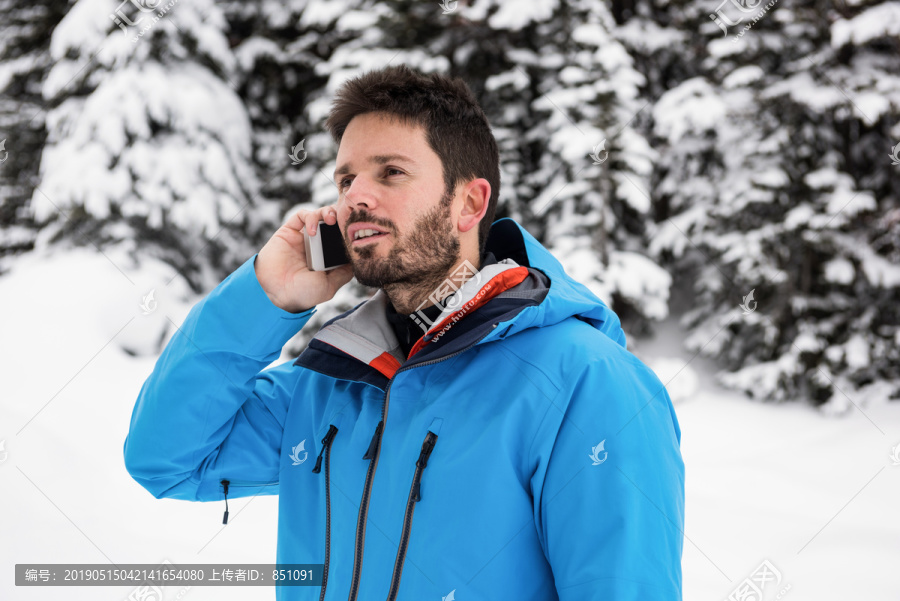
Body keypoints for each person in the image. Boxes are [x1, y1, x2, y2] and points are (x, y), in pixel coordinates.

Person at [123, 64, 685, 601]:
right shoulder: (329, 383)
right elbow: (167, 458)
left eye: (390, 172)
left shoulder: (588, 385)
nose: (354, 198)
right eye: (345, 179)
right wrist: (263, 297)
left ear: (469, 202)